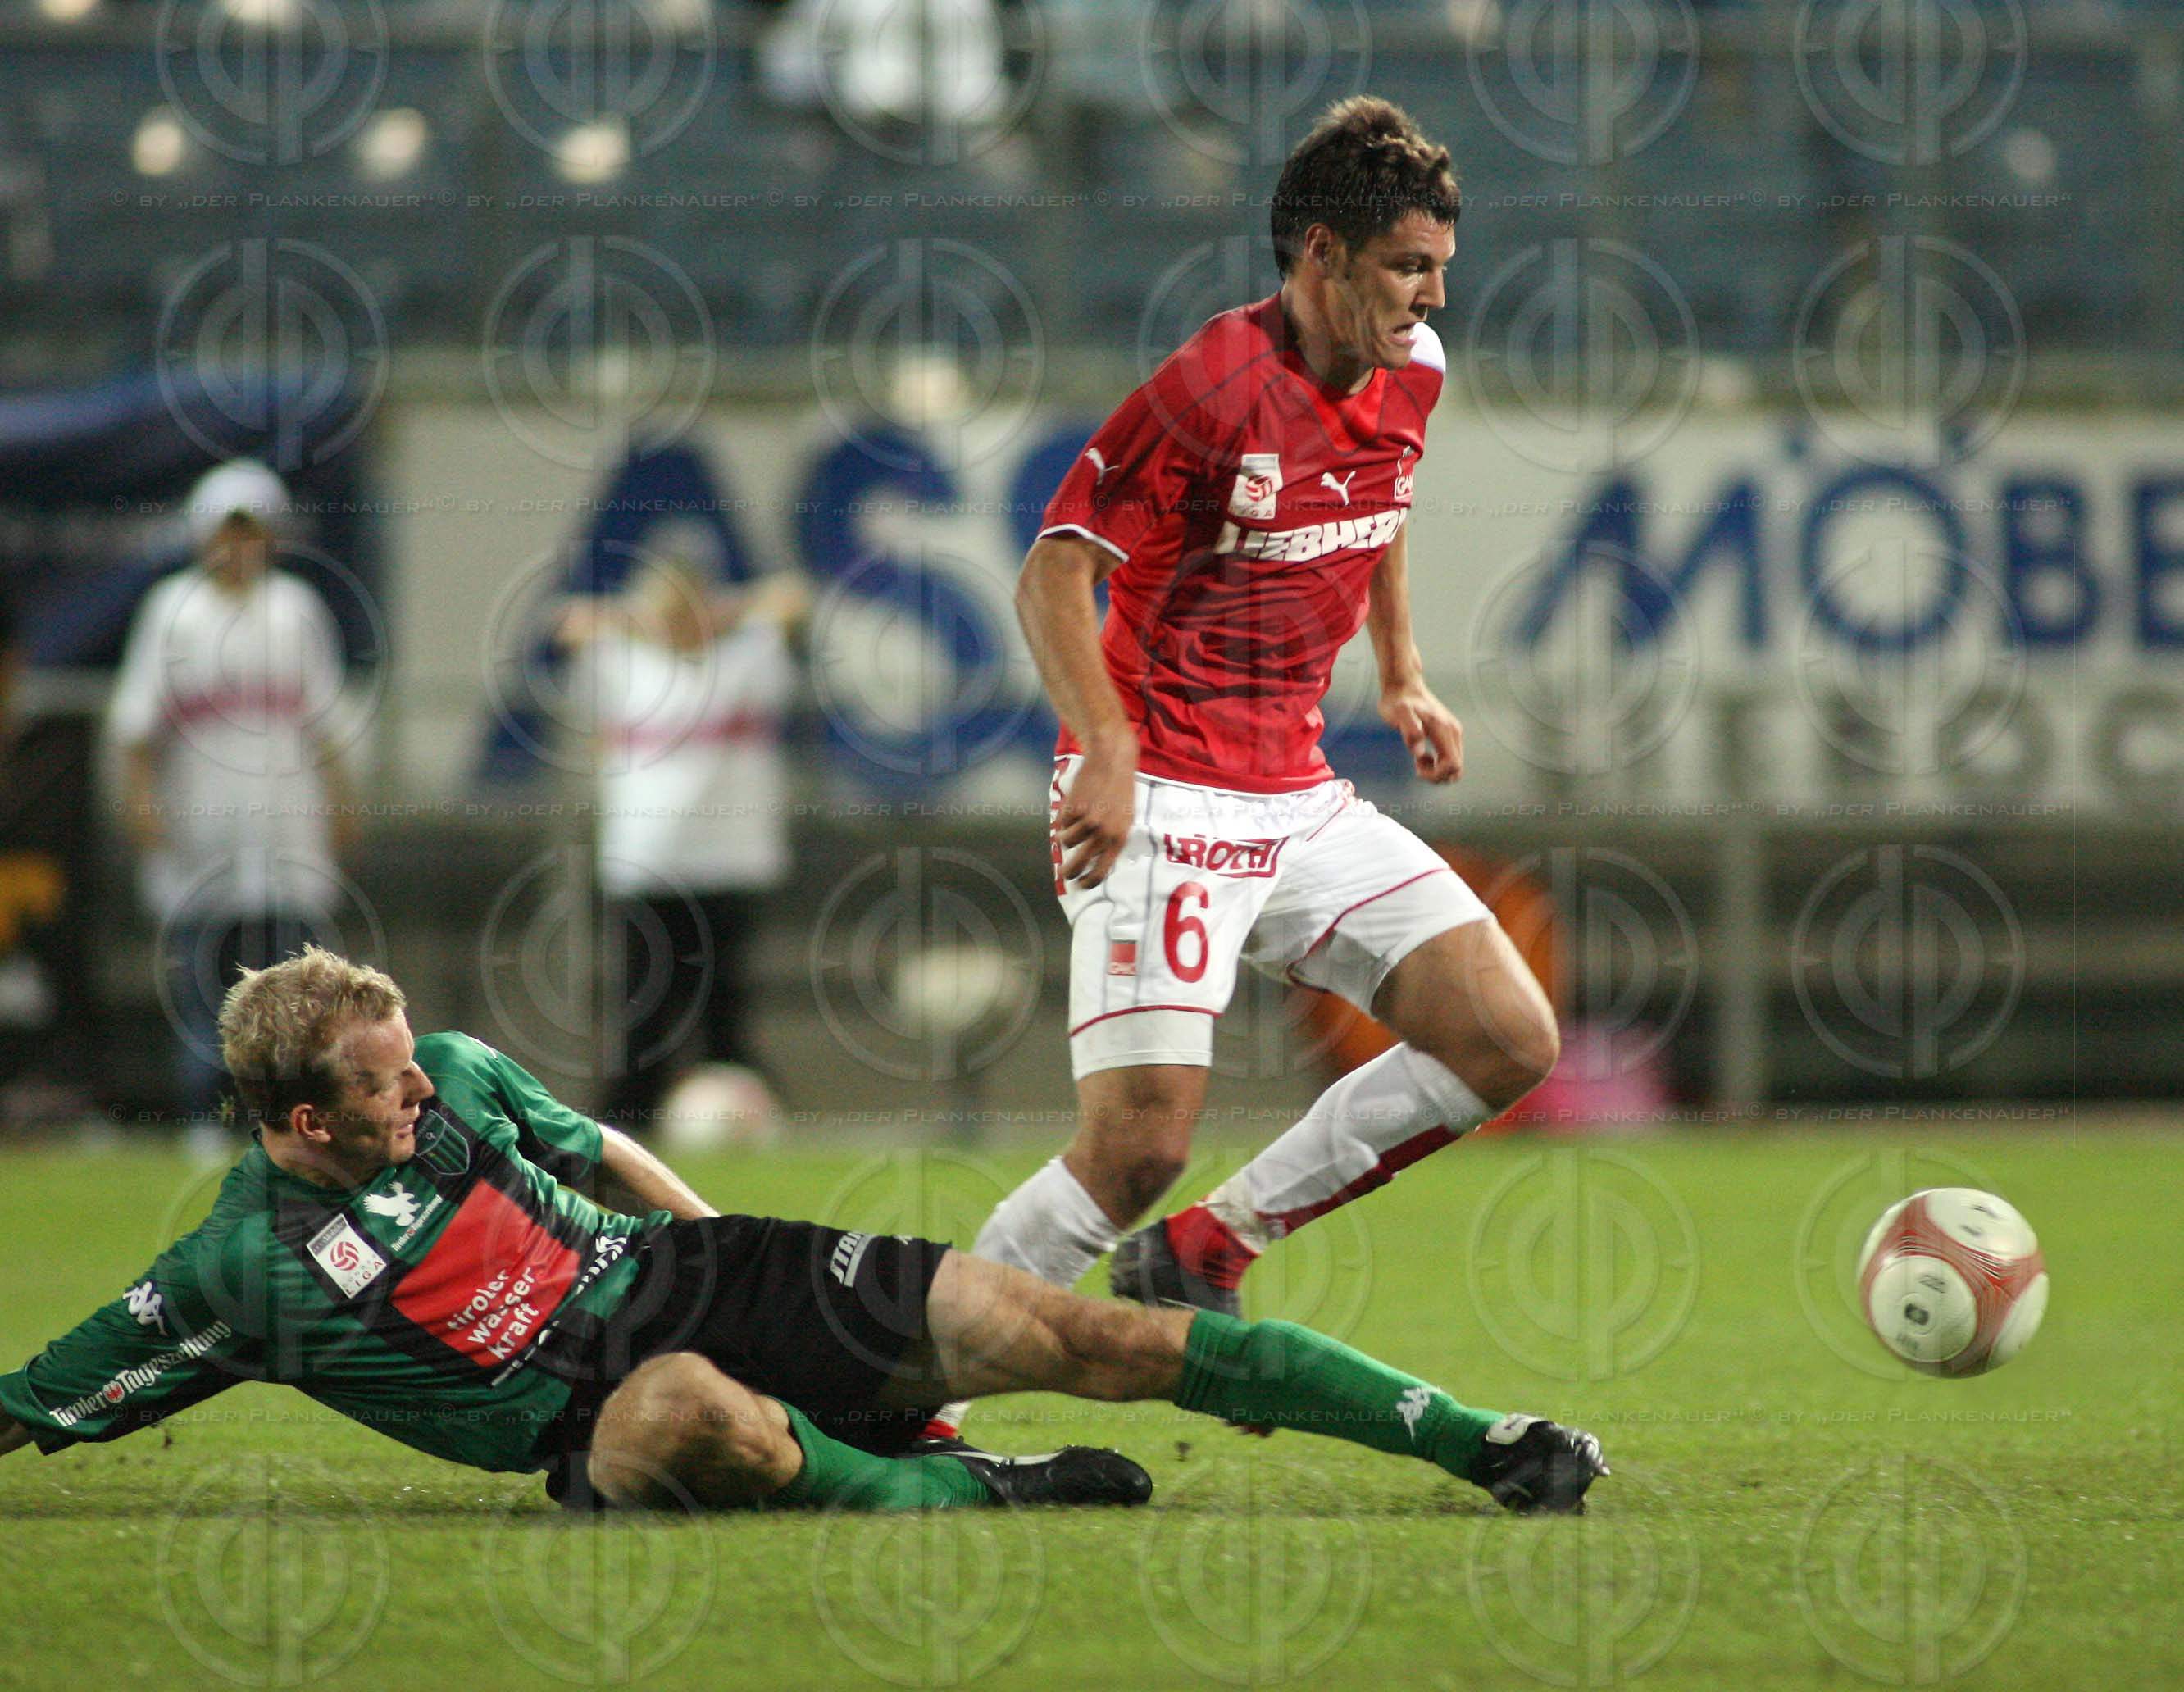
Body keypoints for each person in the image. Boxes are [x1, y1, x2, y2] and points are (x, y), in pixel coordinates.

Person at [0, 948, 1606, 1516]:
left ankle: (1480, 1440)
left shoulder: (464, 1076)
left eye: (416, 1060)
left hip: (697, 1278)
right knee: (680, 1413)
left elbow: (603, 1150)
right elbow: (41, 1395)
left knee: (1091, 1333)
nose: (422, 1089)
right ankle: (953, 1488)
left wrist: (729, 1250)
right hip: (590, 1419)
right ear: (301, 1123)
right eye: (383, 1083)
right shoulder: (237, 1271)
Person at [926, 97, 1563, 1440]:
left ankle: (1210, 1245)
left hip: (1298, 794)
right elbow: (1052, 572)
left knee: (1507, 1036)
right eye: (1406, 266)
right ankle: (908, 1399)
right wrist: (1105, 746)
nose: (1432, 296)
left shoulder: (1412, 367)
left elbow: (1378, 500)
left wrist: (1401, 669)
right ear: (1322, 254)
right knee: (1135, 1148)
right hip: (1156, 797)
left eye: (1440, 266)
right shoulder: (1209, 388)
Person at [108, 459, 359, 1130]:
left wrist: (341, 808)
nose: (238, 547)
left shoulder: (296, 611)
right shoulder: (172, 610)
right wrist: (144, 814)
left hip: (287, 832)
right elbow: (136, 730)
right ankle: (206, 1116)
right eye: (227, 531)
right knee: (202, 984)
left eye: (251, 532)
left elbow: (327, 725)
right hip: (201, 836)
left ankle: (291, 1119)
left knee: (295, 988)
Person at [557, 555, 805, 1129]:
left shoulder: (744, 662)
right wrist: (636, 619)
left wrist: (724, 612)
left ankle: (740, 1119)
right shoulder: (624, 667)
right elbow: (570, 624)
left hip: (729, 865)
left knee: (723, 1007)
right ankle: (628, 1124)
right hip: (646, 867)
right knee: (643, 1009)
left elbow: (791, 596)